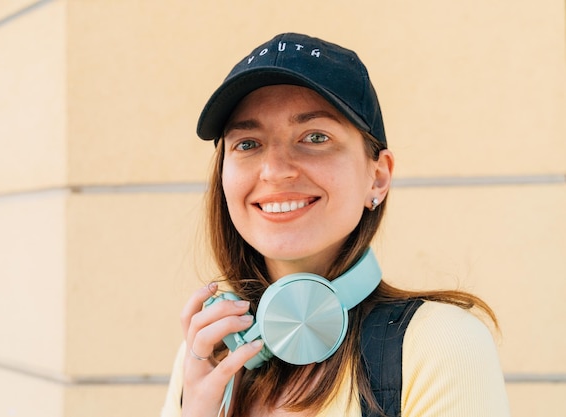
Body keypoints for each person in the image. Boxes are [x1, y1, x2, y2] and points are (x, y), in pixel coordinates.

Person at [161, 33, 510, 417]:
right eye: (247, 143)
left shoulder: (440, 343)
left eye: (315, 137)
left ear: (377, 177)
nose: (275, 170)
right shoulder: (209, 352)